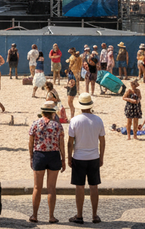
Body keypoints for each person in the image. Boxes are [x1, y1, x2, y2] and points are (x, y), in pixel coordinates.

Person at [67, 93, 106, 225]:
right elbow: (102, 140)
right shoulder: (98, 120)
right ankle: (94, 215)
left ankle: (79, 215)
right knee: (94, 186)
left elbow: (70, 141)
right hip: (94, 156)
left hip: (79, 156)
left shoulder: (75, 120)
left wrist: (68, 156)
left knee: (79, 187)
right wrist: (102, 156)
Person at [29, 101, 66, 224]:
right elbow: (61, 144)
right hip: (54, 155)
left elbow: (30, 142)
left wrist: (31, 157)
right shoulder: (57, 126)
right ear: (52, 113)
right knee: (51, 188)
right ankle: (51, 216)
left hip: (39, 154)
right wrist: (64, 159)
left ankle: (34, 215)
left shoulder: (35, 124)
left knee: (36, 187)